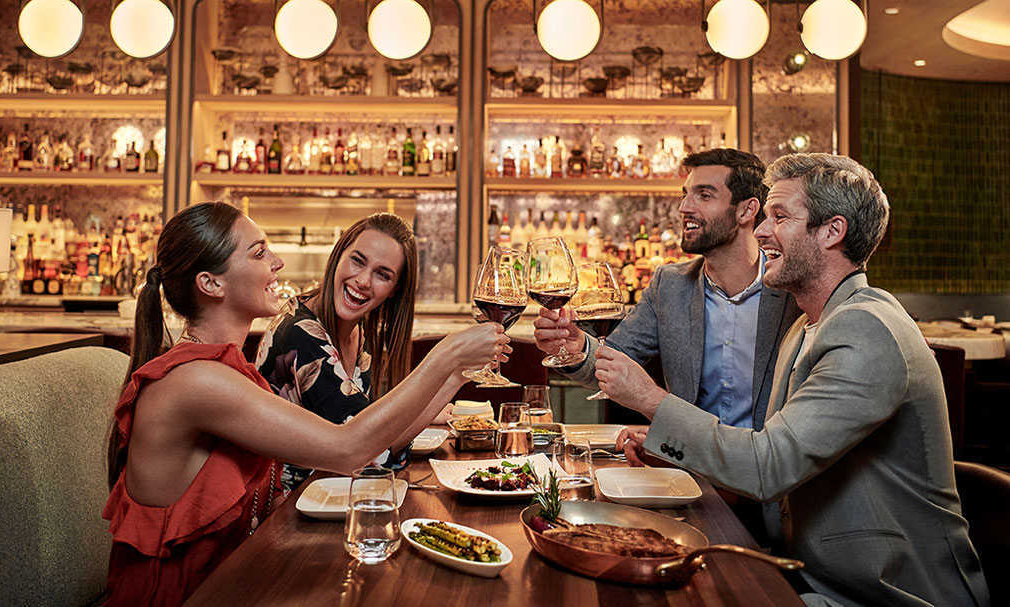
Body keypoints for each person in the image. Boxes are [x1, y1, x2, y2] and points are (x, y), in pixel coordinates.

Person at [610, 154, 990, 607]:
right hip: (808, 574)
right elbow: (767, 448)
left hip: (885, 594)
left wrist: (653, 401)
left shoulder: (865, 329)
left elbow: (767, 467)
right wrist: (669, 446)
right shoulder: (807, 325)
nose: (761, 231)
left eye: (780, 216)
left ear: (833, 231)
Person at [102, 202, 508, 606]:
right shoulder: (198, 380)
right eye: (259, 253)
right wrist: (447, 357)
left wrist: (454, 372)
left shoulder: (226, 370)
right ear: (211, 284)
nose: (277, 262)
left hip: (241, 575)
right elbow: (347, 448)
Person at [534, 148, 801, 431]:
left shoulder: (791, 289)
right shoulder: (670, 285)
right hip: (688, 467)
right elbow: (611, 360)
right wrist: (577, 347)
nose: (684, 207)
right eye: (685, 194)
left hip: (765, 466)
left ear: (747, 210)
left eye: (704, 195)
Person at [257, 213, 448, 489]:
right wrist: (451, 369)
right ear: (338, 255)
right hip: (286, 515)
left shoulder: (357, 330)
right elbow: (370, 455)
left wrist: (449, 384)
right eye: (357, 261)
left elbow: (368, 429)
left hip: (328, 500)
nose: (363, 280)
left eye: (382, 274)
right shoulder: (301, 333)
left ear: (394, 290)